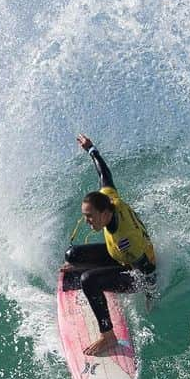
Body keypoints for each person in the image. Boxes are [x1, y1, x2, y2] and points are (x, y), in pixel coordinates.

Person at [61, 134, 156, 355]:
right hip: (118, 256)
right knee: (72, 254)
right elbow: (104, 174)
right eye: (85, 216)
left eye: (90, 217)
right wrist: (91, 148)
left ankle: (108, 336)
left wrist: (150, 297)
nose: (87, 221)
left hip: (136, 274)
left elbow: (148, 272)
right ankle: (90, 270)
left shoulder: (127, 240)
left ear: (104, 214)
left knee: (88, 280)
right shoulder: (109, 198)